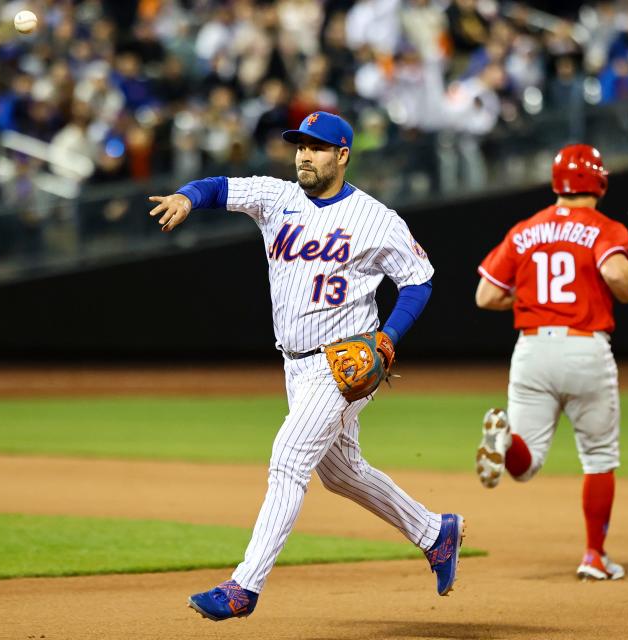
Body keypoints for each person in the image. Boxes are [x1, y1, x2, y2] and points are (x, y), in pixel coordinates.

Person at [147, 111, 463, 621]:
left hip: (342, 367)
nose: (303, 155)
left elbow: (419, 280)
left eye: (316, 147)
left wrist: (388, 336)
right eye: (299, 146)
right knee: (340, 474)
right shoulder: (277, 197)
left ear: (342, 155)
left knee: (289, 458)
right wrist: (187, 196)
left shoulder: (376, 218)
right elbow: (217, 185)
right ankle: (434, 532)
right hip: (294, 365)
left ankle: (243, 587)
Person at [473, 143, 628, 581]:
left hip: (532, 350)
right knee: (598, 457)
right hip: (584, 348)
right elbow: (614, 272)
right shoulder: (604, 227)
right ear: (599, 181)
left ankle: (505, 444)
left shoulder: (525, 229)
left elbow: (485, 296)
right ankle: (594, 556)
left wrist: (532, 295)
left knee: (527, 463)